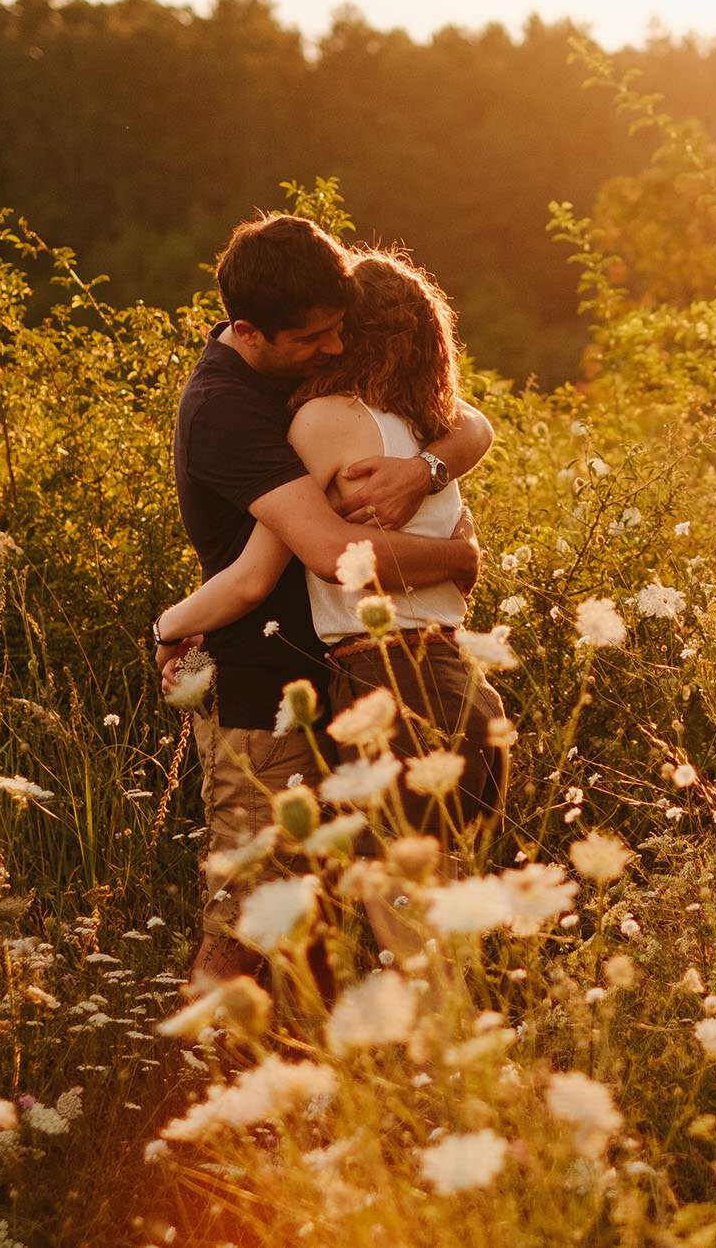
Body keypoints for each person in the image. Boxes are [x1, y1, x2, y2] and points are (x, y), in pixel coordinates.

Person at [154, 215, 490, 985]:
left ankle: (295, 1085)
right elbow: (332, 556)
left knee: (339, 910)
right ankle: (203, 1078)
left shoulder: (312, 385)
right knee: (252, 906)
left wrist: (428, 471)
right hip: (260, 695)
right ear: (249, 330)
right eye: (315, 338)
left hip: (345, 685)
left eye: (342, 331)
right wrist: (459, 555)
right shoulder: (227, 410)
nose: (334, 349)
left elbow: (471, 419)